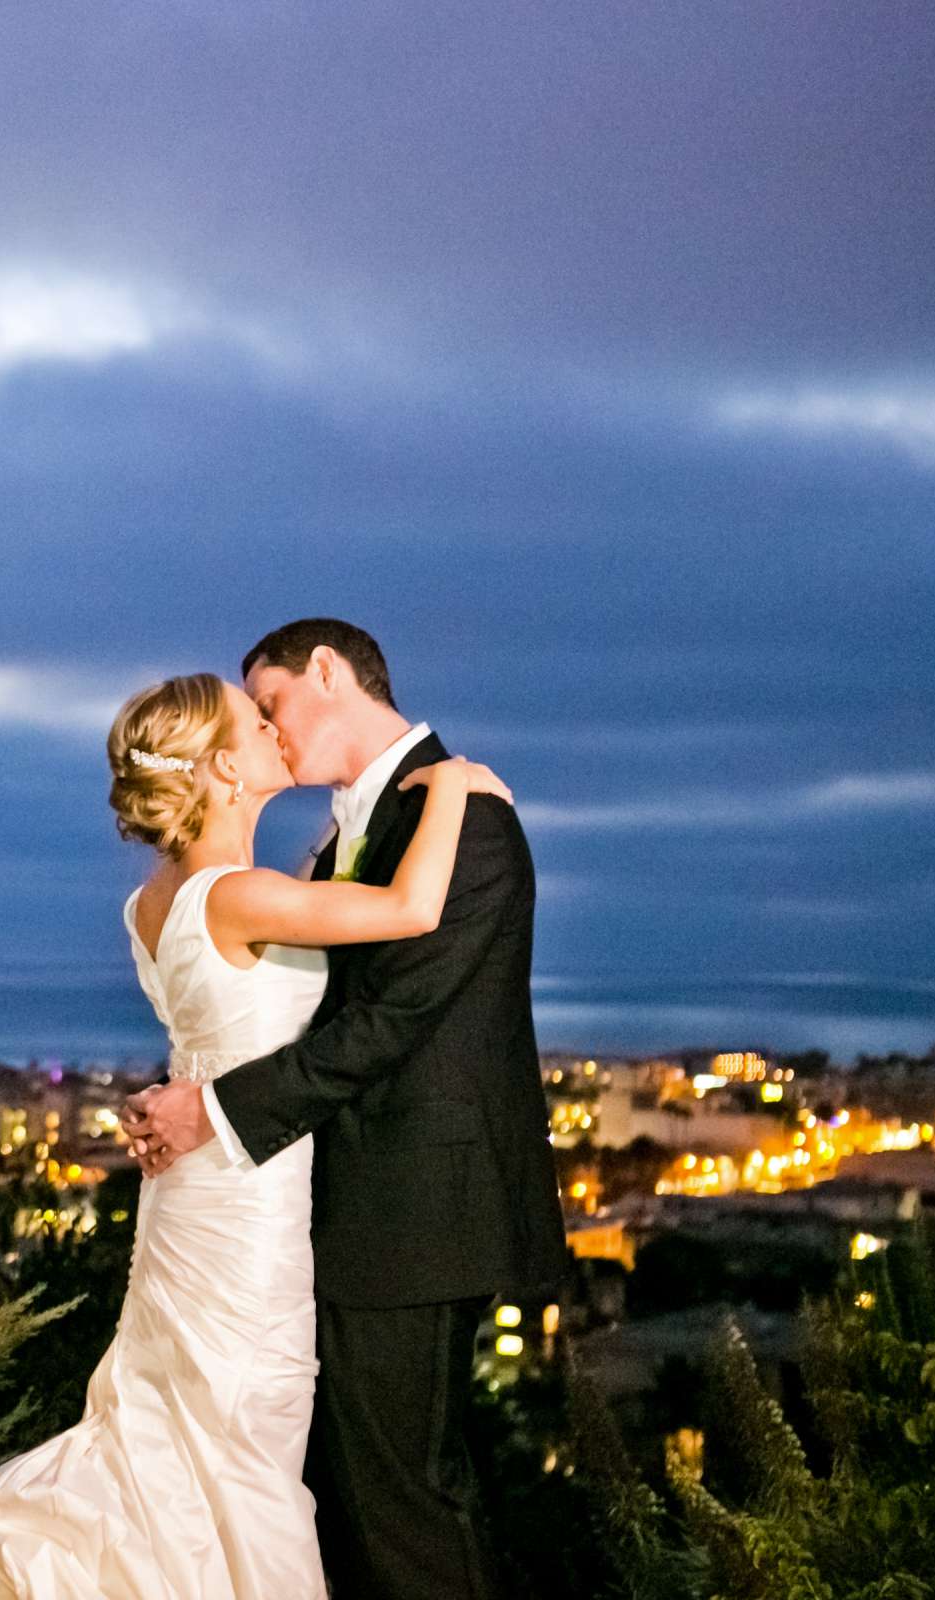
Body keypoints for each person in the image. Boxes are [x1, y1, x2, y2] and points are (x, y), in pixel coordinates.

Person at [0, 649, 517, 1599]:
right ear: (221, 768)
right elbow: (412, 906)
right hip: (246, 1205)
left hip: (192, 1194)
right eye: (253, 720)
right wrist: (459, 788)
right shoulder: (242, 896)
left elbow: (223, 1021)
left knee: (183, 1423)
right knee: (242, 1444)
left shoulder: (155, 902)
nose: (274, 729)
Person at [119, 618, 574, 1599]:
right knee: (354, 1502)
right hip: (314, 1220)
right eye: (259, 723)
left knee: (407, 1502)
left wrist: (215, 1107)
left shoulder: (469, 821)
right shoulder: (336, 844)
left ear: (328, 671)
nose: (275, 735)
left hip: (414, 1214)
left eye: (273, 704)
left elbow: (397, 1016)